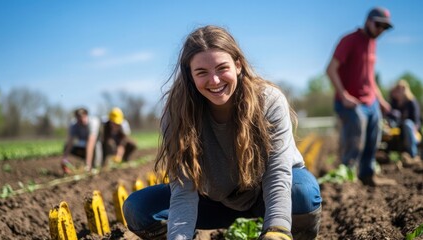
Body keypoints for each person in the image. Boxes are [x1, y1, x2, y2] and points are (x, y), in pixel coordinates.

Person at [123, 25, 322, 240]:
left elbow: (277, 174)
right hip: (214, 201)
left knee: (302, 192)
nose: (215, 80)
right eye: (202, 72)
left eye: (221, 68)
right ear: (190, 75)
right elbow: (183, 191)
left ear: (237, 65)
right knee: (138, 208)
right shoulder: (177, 113)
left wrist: (278, 229)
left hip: (266, 196)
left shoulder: (268, 101)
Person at [326, 7, 395, 186]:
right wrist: (344, 95)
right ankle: (347, 177)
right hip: (350, 102)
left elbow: (369, 77)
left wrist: (380, 100)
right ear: (368, 21)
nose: (380, 30)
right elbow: (331, 69)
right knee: (356, 131)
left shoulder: (372, 44)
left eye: (385, 28)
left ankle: (367, 174)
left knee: (375, 135)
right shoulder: (349, 40)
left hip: (370, 101)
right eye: (378, 25)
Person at [389, 80, 421, 163]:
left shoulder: (411, 102)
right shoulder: (395, 102)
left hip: (410, 128)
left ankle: (413, 155)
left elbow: (417, 121)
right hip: (397, 127)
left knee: (407, 123)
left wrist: (415, 130)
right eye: (397, 89)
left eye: (400, 89)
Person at [62, 107, 102, 174]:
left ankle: (92, 164)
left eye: (83, 117)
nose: (81, 120)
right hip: (83, 144)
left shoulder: (93, 122)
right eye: (79, 118)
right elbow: (70, 141)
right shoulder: (73, 124)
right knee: (66, 146)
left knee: (97, 165)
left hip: (95, 145)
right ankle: (82, 164)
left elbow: (91, 143)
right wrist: (65, 159)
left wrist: (88, 164)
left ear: (86, 115)